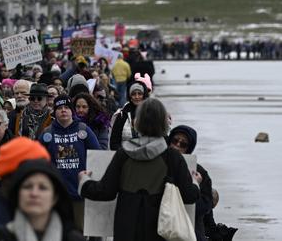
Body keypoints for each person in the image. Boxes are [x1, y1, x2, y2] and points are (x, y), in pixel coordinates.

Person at [78, 98, 200, 241]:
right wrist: (195, 181)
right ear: (164, 123)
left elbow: (105, 192)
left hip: (126, 230)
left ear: (137, 122)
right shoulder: (172, 157)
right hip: (160, 230)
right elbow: (189, 196)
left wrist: (84, 181)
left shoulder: (123, 154)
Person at [0, 159, 85, 241]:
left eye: (43, 187)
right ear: (17, 194)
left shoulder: (73, 238)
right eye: (27, 186)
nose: (34, 193)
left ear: (55, 197)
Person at [39, 96, 100, 231]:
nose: (63, 111)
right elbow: (39, 163)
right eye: (59, 108)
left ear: (72, 111)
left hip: (80, 194)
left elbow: (97, 157)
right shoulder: (47, 133)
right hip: (57, 195)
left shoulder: (84, 130)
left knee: (80, 232)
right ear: (54, 112)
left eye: (67, 108)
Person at [169, 125, 214, 241]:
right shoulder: (159, 164)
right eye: (175, 141)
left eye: (183, 144)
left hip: (191, 228)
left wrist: (195, 186)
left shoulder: (199, 172)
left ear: (189, 148)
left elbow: (206, 205)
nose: (177, 145)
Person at [108, 80, 150, 150]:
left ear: (144, 95)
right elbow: (114, 142)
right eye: (134, 94)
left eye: (139, 94)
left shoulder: (151, 113)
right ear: (130, 96)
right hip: (126, 156)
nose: (137, 97)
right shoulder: (122, 115)